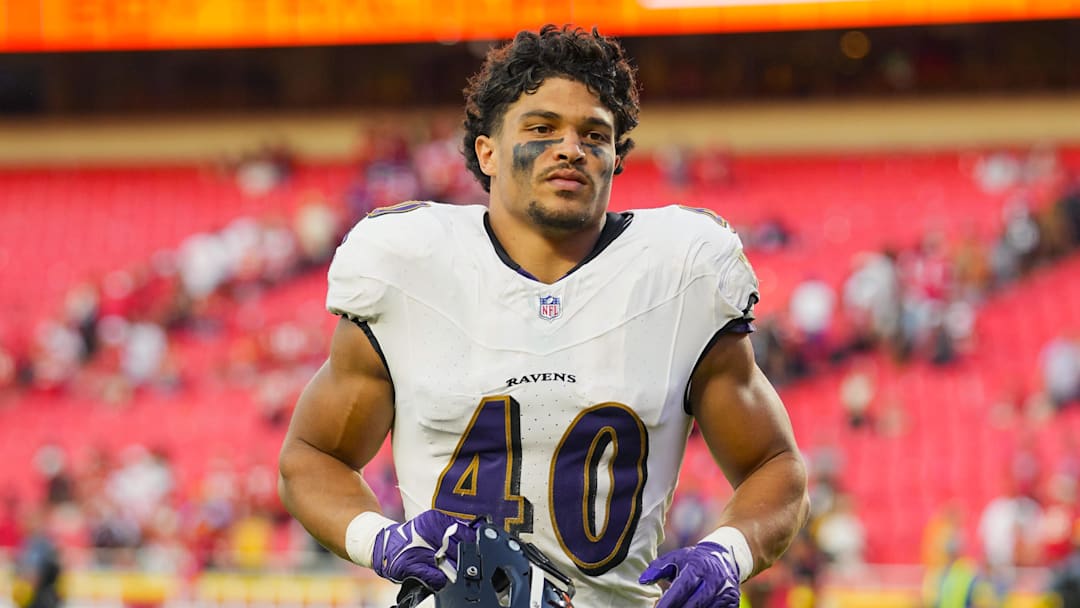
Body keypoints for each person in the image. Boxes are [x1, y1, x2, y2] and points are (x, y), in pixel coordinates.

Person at [278, 24, 810, 608]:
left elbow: (774, 464)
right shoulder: (409, 263)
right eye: (542, 128)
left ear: (615, 158)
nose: (570, 148)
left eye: (594, 134)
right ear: (487, 150)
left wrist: (727, 552)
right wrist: (379, 541)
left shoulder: (680, 271)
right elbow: (313, 455)